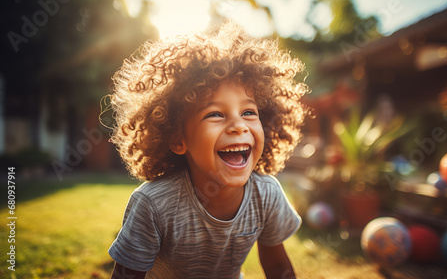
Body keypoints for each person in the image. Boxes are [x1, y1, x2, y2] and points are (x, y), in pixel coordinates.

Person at [107, 22, 309, 279]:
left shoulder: (266, 194)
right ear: (179, 139)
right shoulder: (153, 205)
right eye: (215, 114)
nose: (238, 126)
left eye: (248, 112)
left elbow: (278, 268)